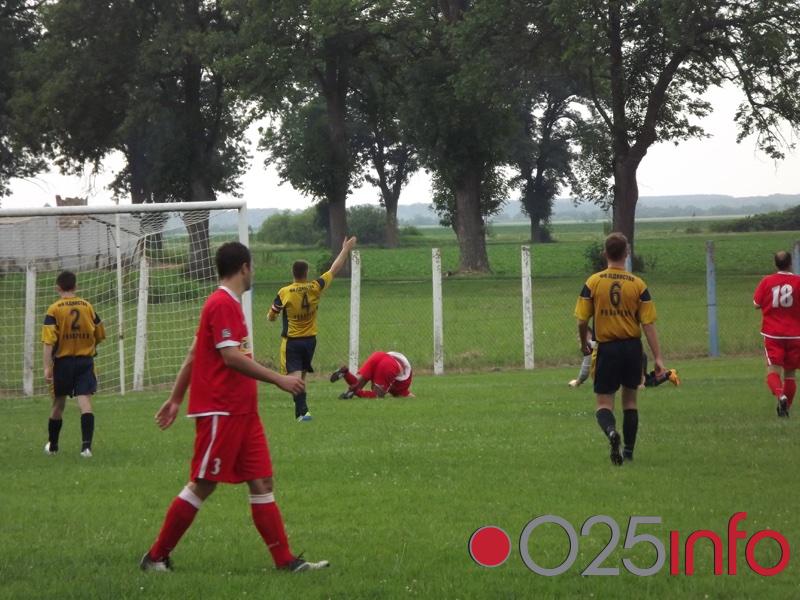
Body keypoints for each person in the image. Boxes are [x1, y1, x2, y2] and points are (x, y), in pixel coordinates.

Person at [140, 242, 328, 574]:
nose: (253, 272)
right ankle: (155, 557)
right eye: (252, 267)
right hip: (221, 411)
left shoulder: (228, 305)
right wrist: (279, 379)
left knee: (262, 482)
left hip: (243, 413)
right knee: (203, 483)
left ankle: (286, 562)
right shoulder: (221, 303)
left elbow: (194, 354)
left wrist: (175, 398)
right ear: (244, 268)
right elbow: (230, 357)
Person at [574, 232, 665, 465]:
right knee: (630, 402)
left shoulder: (593, 282)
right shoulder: (638, 284)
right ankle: (629, 453)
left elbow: (582, 320)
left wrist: (584, 343)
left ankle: (612, 432)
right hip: (632, 349)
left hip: (607, 349)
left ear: (604, 253)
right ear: (627, 253)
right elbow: (648, 324)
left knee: (604, 404)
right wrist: (658, 357)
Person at [268, 236, 357, 421]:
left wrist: (272, 316)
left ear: (293, 273)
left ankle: (305, 412)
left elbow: (272, 315)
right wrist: (345, 249)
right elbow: (334, 269)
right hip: (310, 340)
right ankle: (300, 414)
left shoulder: (284, 292)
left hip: (292, 341)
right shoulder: (315, 286)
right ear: (306, 273)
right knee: (301, 378)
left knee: (294, 379)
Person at [41, 270, 106, 457]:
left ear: (57, 288)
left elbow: (48, 342)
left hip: (63, 363)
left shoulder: (54, 309)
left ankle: (53, 446)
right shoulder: (87, 306)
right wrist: (90, 345)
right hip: (85, 361)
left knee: (58, 404)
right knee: (85, 402)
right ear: (75, 286)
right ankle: (86, 448)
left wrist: (47, 367)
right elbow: (100, 333)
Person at [753, 250, 800, 417]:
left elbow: (756, 303)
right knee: (790, 373)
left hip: (773, 334)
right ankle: (785, 409)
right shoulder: (798, 281)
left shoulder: (767, 281)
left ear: (775, 264)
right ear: (791, 263)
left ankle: (781, 396)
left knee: (772, 370)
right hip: (795, 335)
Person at [330, 351, 414, 398]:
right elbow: (410, 396)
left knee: (358, 384)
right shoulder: (401, 388)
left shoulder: (400, 385)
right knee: (377, 395)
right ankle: (354, 392)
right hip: (389, 364)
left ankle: (345, 373)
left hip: (379, 355)